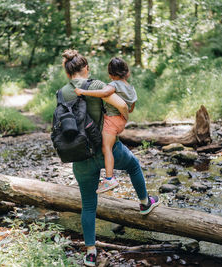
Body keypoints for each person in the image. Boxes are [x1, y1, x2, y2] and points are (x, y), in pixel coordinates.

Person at [59, 49, 159, 267]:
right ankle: (144, 203)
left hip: (80, 156)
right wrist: (124, 118)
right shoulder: (96, 85)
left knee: (88, 206)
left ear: (68, 74)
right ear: (85, 68)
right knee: (133, 166)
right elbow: (122, 105)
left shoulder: (63, 92)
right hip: (108, 149)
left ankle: (91, 253)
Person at [74, 57, 135, 194]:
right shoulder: (130, 88)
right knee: (109, 145)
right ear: (127, 72)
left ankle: (109, 178)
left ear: (110, 74)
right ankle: (109, 177)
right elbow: (130, 108)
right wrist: (124, 115)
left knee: (106, 147)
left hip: (112, 120)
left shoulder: (114, 85)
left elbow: (105, 92)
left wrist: (83, 92)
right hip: (121, 121)